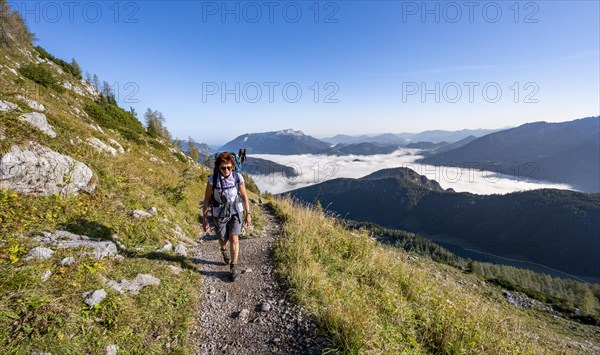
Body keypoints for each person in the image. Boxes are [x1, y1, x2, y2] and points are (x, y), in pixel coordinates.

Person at [202, 152, 251, 281]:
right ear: (218, 167)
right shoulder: (212, 179)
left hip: (235, 210)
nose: (227, 170)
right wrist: (205, 219)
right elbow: (207, 198)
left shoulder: (237, 177)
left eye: (229, 167)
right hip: (219, 213)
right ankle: (223, 250)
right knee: (223, 240)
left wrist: (248, 214)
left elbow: (245, 196)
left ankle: (233, 266)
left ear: (233, 167)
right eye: (223, 168)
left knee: (234, 238)